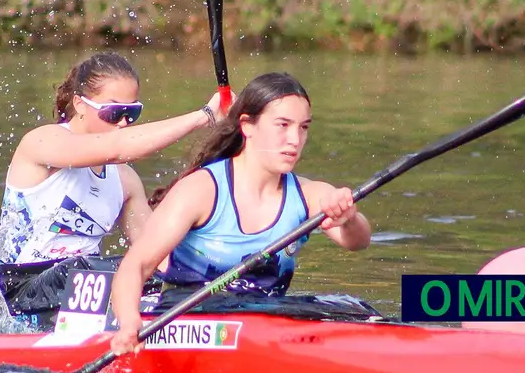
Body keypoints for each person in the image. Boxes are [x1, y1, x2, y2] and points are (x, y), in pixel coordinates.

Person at [108, 72, 373, 355]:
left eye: (303, 127)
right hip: (188, 318)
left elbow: (358, 241)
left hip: (264, 320)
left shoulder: (309, 194)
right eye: (283, 125)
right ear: (247, 126)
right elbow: (134, 267)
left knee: (356, 308)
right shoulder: (200, 191)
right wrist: (128, 324)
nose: (295, 139)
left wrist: (348, 218)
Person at [0, 51, 231, 325]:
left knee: (154, 269)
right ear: (80, 105)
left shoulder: (126, 181)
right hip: (19, 291)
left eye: (132, 113)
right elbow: (118, 148)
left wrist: (212, 271)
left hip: (82, 289)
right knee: (99, 269)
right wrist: (206, 116)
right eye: (114, 112)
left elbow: (156, 254)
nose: (124, 123)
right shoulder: (43, 142)